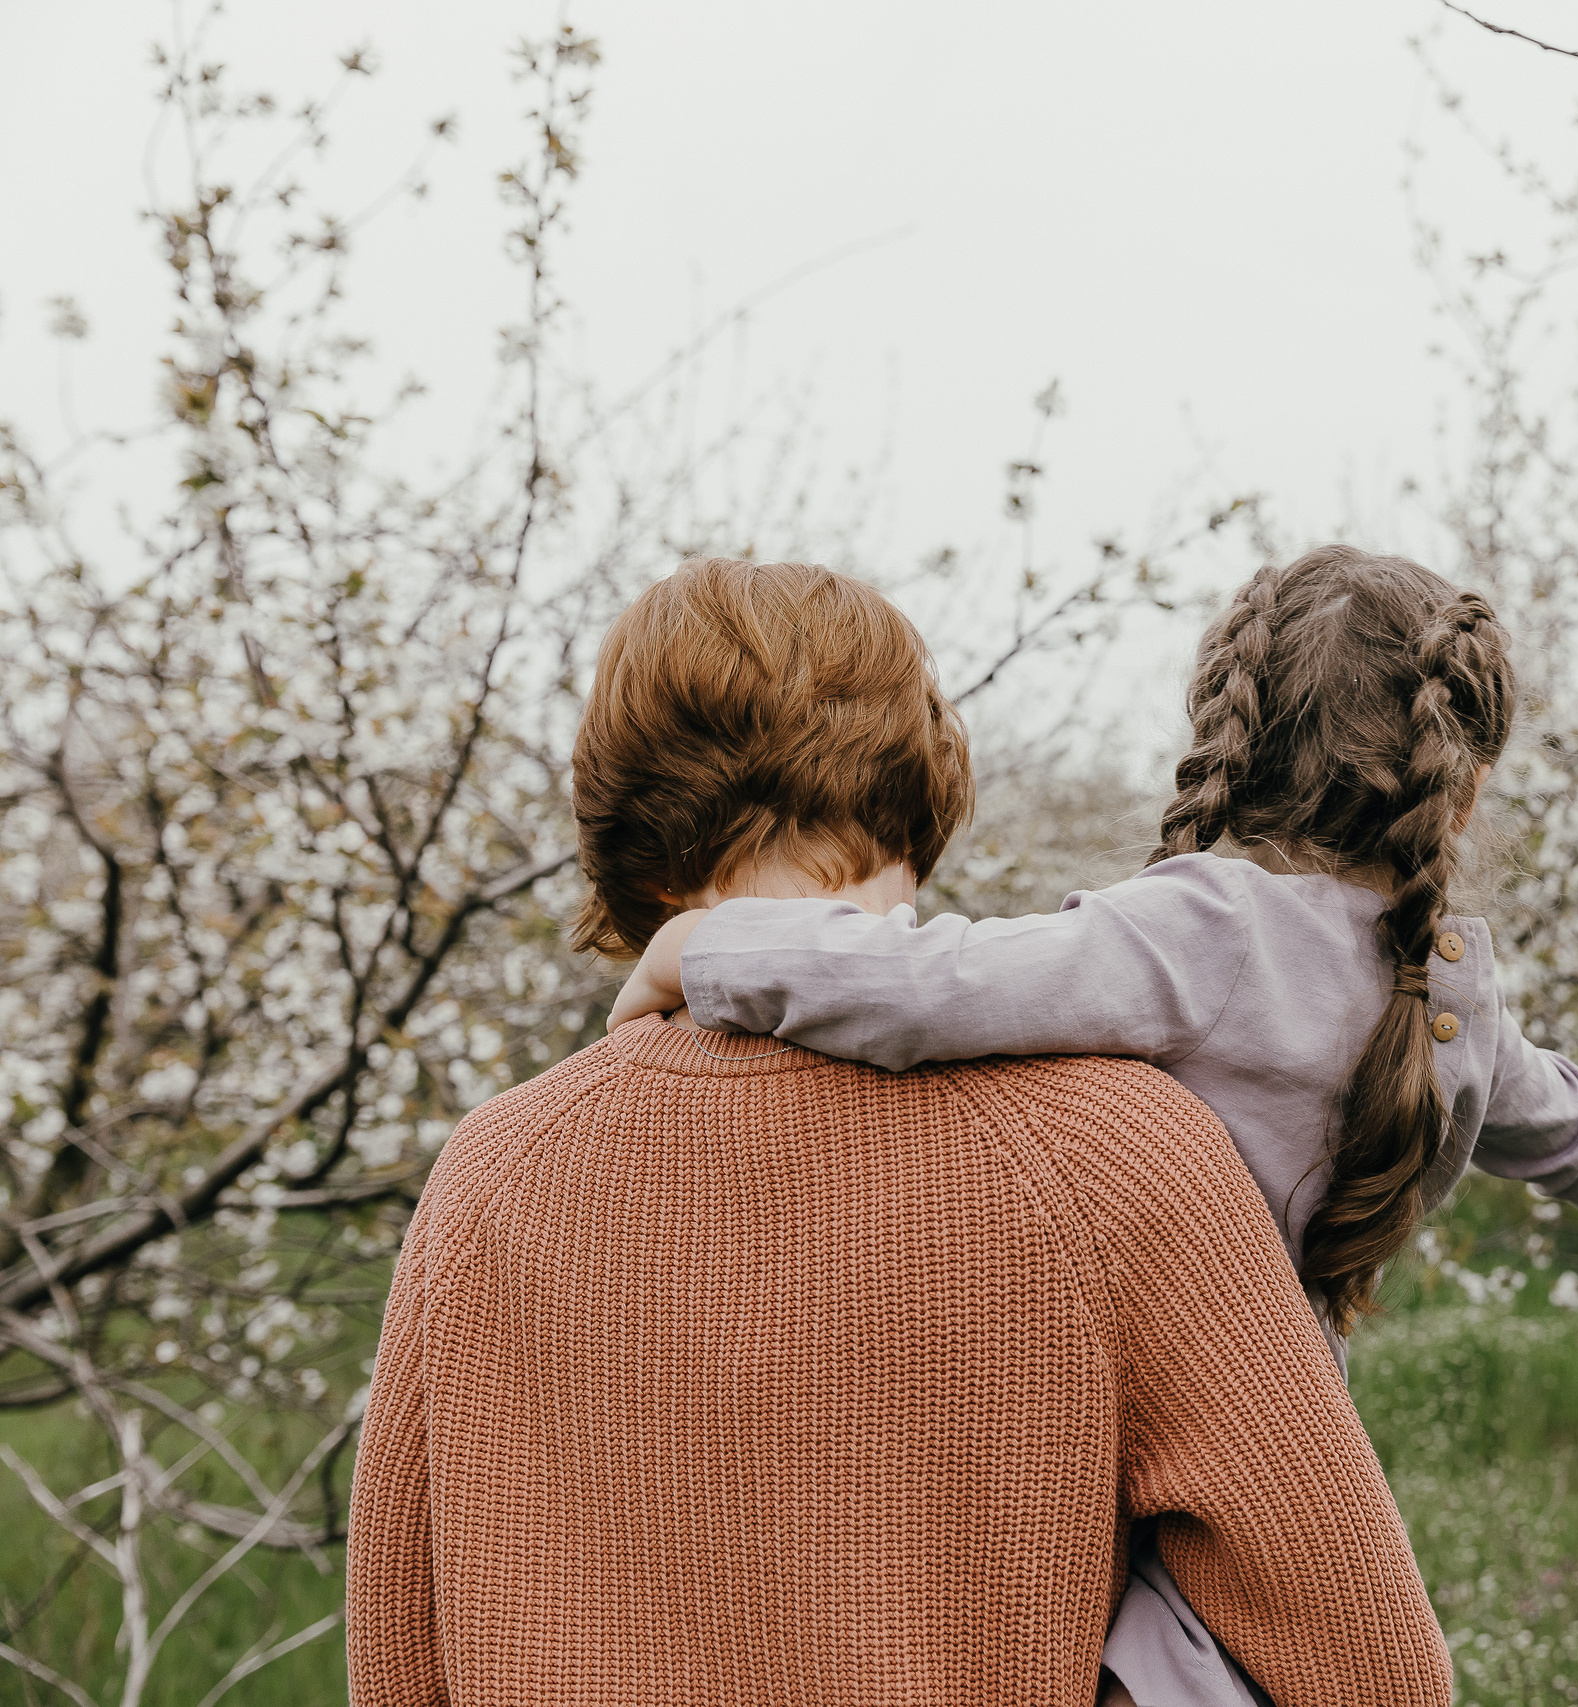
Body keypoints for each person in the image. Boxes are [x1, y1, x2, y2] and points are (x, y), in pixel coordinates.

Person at [608, 545, 1578, 1707]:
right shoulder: (1446, 982)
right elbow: (1555, 1114)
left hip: (1112, 1400)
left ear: (1230, 740)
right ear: (1459, 791)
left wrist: (710, 954)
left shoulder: (1200, 930)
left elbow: (937, 987)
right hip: (1289, 1413)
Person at [343, 558, 1454, 1707]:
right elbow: (1372, 1673)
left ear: (613, 821)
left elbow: (398, 1656)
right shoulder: (1117, 1154)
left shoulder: (490, 1171)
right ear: (918, 787)